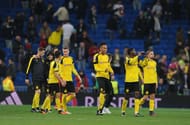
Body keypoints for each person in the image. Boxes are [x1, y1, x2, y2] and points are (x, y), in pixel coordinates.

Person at [121, 48, 144, 117]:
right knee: (126, 96)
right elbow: (130, 62)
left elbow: (142, 65)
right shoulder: (126, 59)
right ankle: (123, 111)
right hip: (128, 80)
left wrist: (146, 58)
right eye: (133, 51)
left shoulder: (136, 59)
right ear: (130, 52)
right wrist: (138, 56)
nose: (135, 52)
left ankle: (136, 112)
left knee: (137, 95)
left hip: (135, 80)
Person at [93, 42, 114, 115]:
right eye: (104, 48)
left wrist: (111, 71)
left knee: (111, 93)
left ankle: (106, 107)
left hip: (107, 77)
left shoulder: (107, 56)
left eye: (106, 48)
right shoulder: (96, 56)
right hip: (100, 77)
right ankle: (99, 110)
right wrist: (103, 70)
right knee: (102, 92)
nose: (106, 49)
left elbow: (108, 66)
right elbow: (95, 68)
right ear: (100, 48)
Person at [59, 47, 82, 114]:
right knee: (64, 94)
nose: (65, 53)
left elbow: (73, 69)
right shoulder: (61, 59)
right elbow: (60, 71)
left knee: (73, 95)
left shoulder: (71, 59)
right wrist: (62, 80)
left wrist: (78, 77)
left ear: (68, 51)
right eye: (64, 52)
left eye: (66, 51)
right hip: (64, 80)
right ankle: (64, 110)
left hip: (70, 80)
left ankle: (61, 105)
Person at [25, 47, 46, 112]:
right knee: (38, 91)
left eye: (44, 53)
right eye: (43, 52)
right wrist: (27, 77)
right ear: (39, 51)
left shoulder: (43, 59)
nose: (43, 54)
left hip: (41, 78)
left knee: (38, 93)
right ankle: (35, 107)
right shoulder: (33, 58)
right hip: (35, 78)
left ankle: (35, 107)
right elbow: (28, 68)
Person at [139, 50, 158, 116]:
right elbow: (141, 64)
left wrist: (156, 82)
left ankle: (151, 111)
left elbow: (155, 73)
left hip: (153, 82)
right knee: (145, 97)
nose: (153, 55)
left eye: (153, 54)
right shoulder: (144, 61)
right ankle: (137, 105)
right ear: (147, 55)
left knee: (152, 97)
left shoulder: (155, 63)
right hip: (147, 82)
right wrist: (145, 58)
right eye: (151, 54)